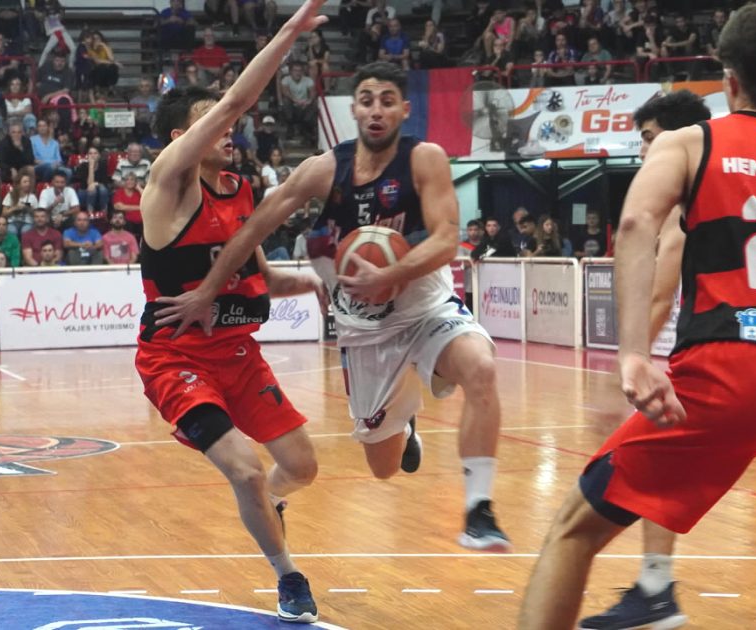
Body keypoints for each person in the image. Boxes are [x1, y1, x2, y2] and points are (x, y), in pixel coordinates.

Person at [519, 3, 756, 627]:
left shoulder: (688, 143)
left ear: (729, 81)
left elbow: (635, 223)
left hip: (725, 374)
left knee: (574, 531)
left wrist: (632, 354)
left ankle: (654, 589)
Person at [152, 61, 513, 553]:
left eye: (388, 101)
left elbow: (446, 240)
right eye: (367, 100)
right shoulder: (322, 170)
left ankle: (479, 511)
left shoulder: (424, 159)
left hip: (426, 307)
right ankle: (404, 422)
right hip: (366, 329)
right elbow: (251, 232)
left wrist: (387, 275)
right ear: (354, 111)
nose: (377, 110)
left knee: (481, 366)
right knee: (383, 469)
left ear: (404, 110)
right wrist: (208, 290)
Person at [131, 0, 329, 622]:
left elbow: (261, 277)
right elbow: (237, 100)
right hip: (176, 359)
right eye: (211, 122)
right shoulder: (169, 180)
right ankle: (288, 576)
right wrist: (290, 31)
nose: (228, 128)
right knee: (244, 471)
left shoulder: (241, 191)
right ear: (182, 139)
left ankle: (272, 507)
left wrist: (320, 282)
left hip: (240, 356)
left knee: (302, 467)